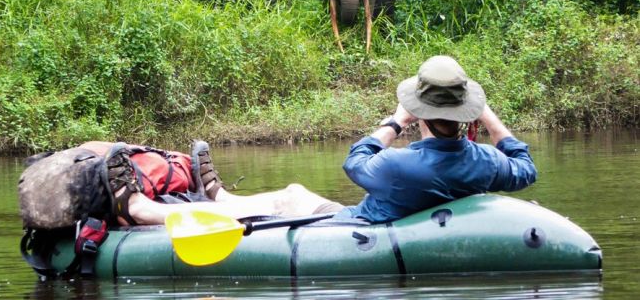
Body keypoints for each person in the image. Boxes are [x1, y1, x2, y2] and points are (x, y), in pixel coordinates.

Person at [337, 55, 537, 223]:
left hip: (360, 226)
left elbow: (354, 163)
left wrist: (396, 123)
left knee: (303, 196)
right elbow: (526, 170)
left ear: (417, 110)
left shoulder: (395, 165)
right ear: (467, 111)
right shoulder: (487, 162)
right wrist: (489, 118)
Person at [78, 140, 343, 226]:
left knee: (290, 201)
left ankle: (137, 208)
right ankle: (220, 197)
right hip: (355, 218)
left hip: (353, 226)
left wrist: (387, 129)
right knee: (294, 193)